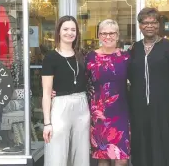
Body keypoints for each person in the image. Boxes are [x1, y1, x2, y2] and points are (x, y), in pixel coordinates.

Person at [128, 7, 169, 166]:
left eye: (153, 22)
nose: (149, 26)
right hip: (139, 110)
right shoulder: (134, 49)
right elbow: (127, 77)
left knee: (164, 148)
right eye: (145, 22)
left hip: (164, 109)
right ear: (140, 26)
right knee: (142, 148)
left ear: (158, 25)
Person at [41, 15, 90, 166]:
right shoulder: (50, 58)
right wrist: (47, 122)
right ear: (59, 32)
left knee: (81, 154)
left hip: (82, 105)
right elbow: (46, 93)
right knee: (57, 153)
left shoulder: (82, 55)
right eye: (66, 29)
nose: (70, 33)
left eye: (73, 29)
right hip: (60, 106)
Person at [85, 19, 130, 166]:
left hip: (121, 111)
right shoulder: (90, 57)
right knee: (102, 156)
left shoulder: (126, 57)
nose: (108, 36)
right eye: (104, 33)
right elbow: (80, 81)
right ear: (99, 36)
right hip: (99, 113)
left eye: (112, 33)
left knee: (122, 158)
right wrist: (56, 90)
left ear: (117, 36)